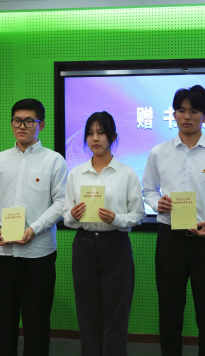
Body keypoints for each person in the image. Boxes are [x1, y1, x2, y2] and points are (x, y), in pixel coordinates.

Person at [142, 85, 205, 356]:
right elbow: (148, 189)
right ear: (173, 114)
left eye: (194, 111)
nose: (187, 116)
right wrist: (157, 203)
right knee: (169, 312)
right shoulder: (158, 152)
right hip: (170, 240)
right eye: (181, 110)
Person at [0, 99, 68, 356]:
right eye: (17, 120)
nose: (22, 126)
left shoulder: (54, 161)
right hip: (2, 252)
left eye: (29, 121)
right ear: (11, 124)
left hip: (38, 252)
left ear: (41, 125)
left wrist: (35, 228)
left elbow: (61, 202)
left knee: (37, 319)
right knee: (3, 318)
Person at [63, 111, 145, 356]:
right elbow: (66, 217)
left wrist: (117, 219)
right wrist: (73, 215)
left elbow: (138, 214)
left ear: (113, 137)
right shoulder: (75, 173)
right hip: (84, 245)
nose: (95, 138)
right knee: (87, 315)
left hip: (116, 244)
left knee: (116, 316)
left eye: (100, 133)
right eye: (90, 133)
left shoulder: (127, 173)